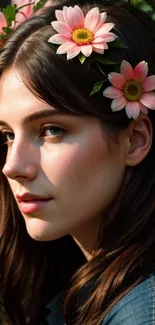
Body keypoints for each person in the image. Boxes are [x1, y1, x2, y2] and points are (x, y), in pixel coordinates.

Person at [1, 0, 155, 324]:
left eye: (51, 130)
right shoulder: (77, 293)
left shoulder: (142, 313)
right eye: (7, 135)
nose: (12, 166)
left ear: (136, 139)